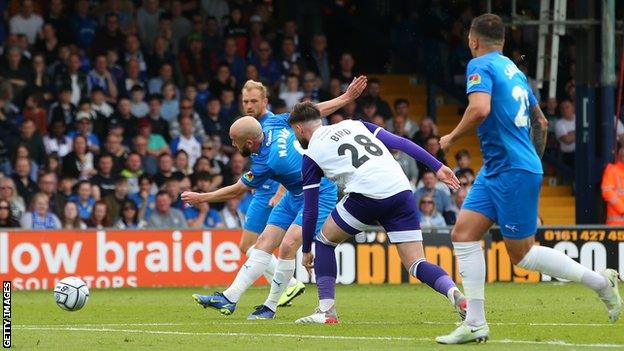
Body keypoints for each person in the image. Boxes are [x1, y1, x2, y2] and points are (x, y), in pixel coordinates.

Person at [436, 14, 621, 344]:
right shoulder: (515, 72)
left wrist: (451, 137)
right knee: (463, 234)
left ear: (473, 41)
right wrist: (532, 159)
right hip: (499, 169)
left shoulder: (481, 66)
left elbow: (479, 109)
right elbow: (542, 122)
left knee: (520, 255)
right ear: (503, 41)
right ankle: (476, 323)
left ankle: (601, 283)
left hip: (510, 169)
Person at [286, 102, 464, 324]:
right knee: (416, 262)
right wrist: (437, 166)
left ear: (300, 129)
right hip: (401, 190)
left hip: (367, 194)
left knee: (324, 241)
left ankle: (326, 311)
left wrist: (305, 249)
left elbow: (310, 209)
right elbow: (400, 142)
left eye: (294, 131)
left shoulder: (310, 154)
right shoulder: (355, 124)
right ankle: (455, 294)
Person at [182, 114, 339, 320]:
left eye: (234, 141)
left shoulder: (269, 161)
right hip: (293, 194)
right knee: (263, 242)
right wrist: (345, 98)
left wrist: (202, 197)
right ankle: (229, 298)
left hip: (318, 194)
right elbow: (310, 112)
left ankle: (270, 307)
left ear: (249, 142)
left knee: (287, 245)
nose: (232, 144)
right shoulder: (272, 123)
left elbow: (236, 191)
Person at [601, 143, 624, 225]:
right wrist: (622, 209)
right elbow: (607, 192)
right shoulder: (611, 170)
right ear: (619, 156)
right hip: (616, 225)